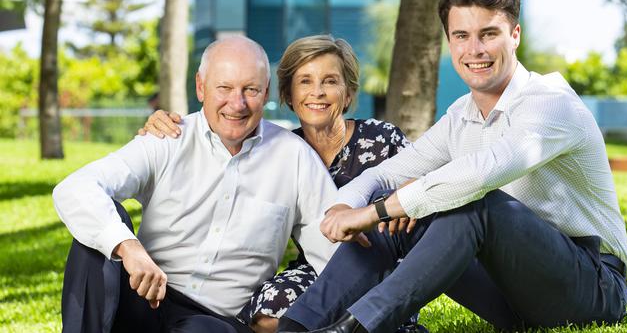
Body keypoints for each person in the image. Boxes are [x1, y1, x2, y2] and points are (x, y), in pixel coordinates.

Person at [276, 0, 627, 333]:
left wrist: (379, 209)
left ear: (515, 36)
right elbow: (385, 174)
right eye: (461, 36)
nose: (474, 50)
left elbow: (480, 174)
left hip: (591, 286)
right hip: (512, 292)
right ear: (449, 41)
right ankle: (297, 327)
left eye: (488, 34)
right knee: (399, 210)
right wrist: (347, 206)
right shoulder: (461, 115)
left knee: (468, 203)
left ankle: (355, 328)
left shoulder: (551, 103)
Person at [53, 36, 339, 333]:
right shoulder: (167, 138)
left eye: (250, 90)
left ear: (266, 91)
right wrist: (128, 247)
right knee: (97, 240)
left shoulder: (295, 158)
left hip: (214, 321)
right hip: (143, 297)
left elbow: (335, 253)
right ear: (201, 87)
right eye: (224, 88)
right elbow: (75, 188)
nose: (237, 103)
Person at [141, 35, 422, 333]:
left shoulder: (382, 138)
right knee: (266, 312)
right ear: (287, 94)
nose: (318, 92)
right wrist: (161, 123)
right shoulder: (283, 149)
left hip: (385, 265)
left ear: (348, 92)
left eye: (330, 81)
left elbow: (421, 182)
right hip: (315, 268)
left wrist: (408, 195)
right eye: (305, 82)